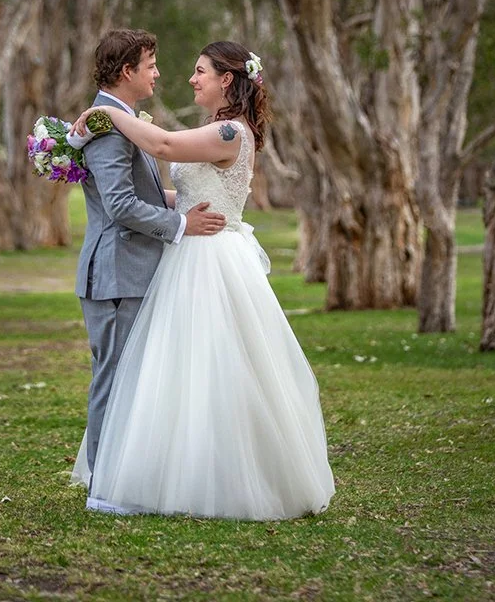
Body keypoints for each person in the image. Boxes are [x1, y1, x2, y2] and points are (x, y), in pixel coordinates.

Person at [69, 40, 334, 520]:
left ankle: (232, 478)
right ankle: (164, 471)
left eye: (200, 71)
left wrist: (106, 114)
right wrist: (174, 206)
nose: (190, 79)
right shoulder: (217, 129)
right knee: (181, 372)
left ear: (226, 80)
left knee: (218, 369)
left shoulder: (231, 132)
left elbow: (164, 145)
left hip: (212, 258)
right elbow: (181, 187)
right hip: (189, 253)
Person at [71, 29, 226, 515]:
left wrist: (203, 205)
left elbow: (140, 194)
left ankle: (124, 478)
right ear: (127, 72)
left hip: (133, 271)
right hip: (116, 272)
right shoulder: (104, 125)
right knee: (113, 379)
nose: (159, 73)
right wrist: (181, 224)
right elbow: (118, 205)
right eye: (151, 64)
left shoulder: (118, 121)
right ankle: (103, 487)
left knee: (130, 378)